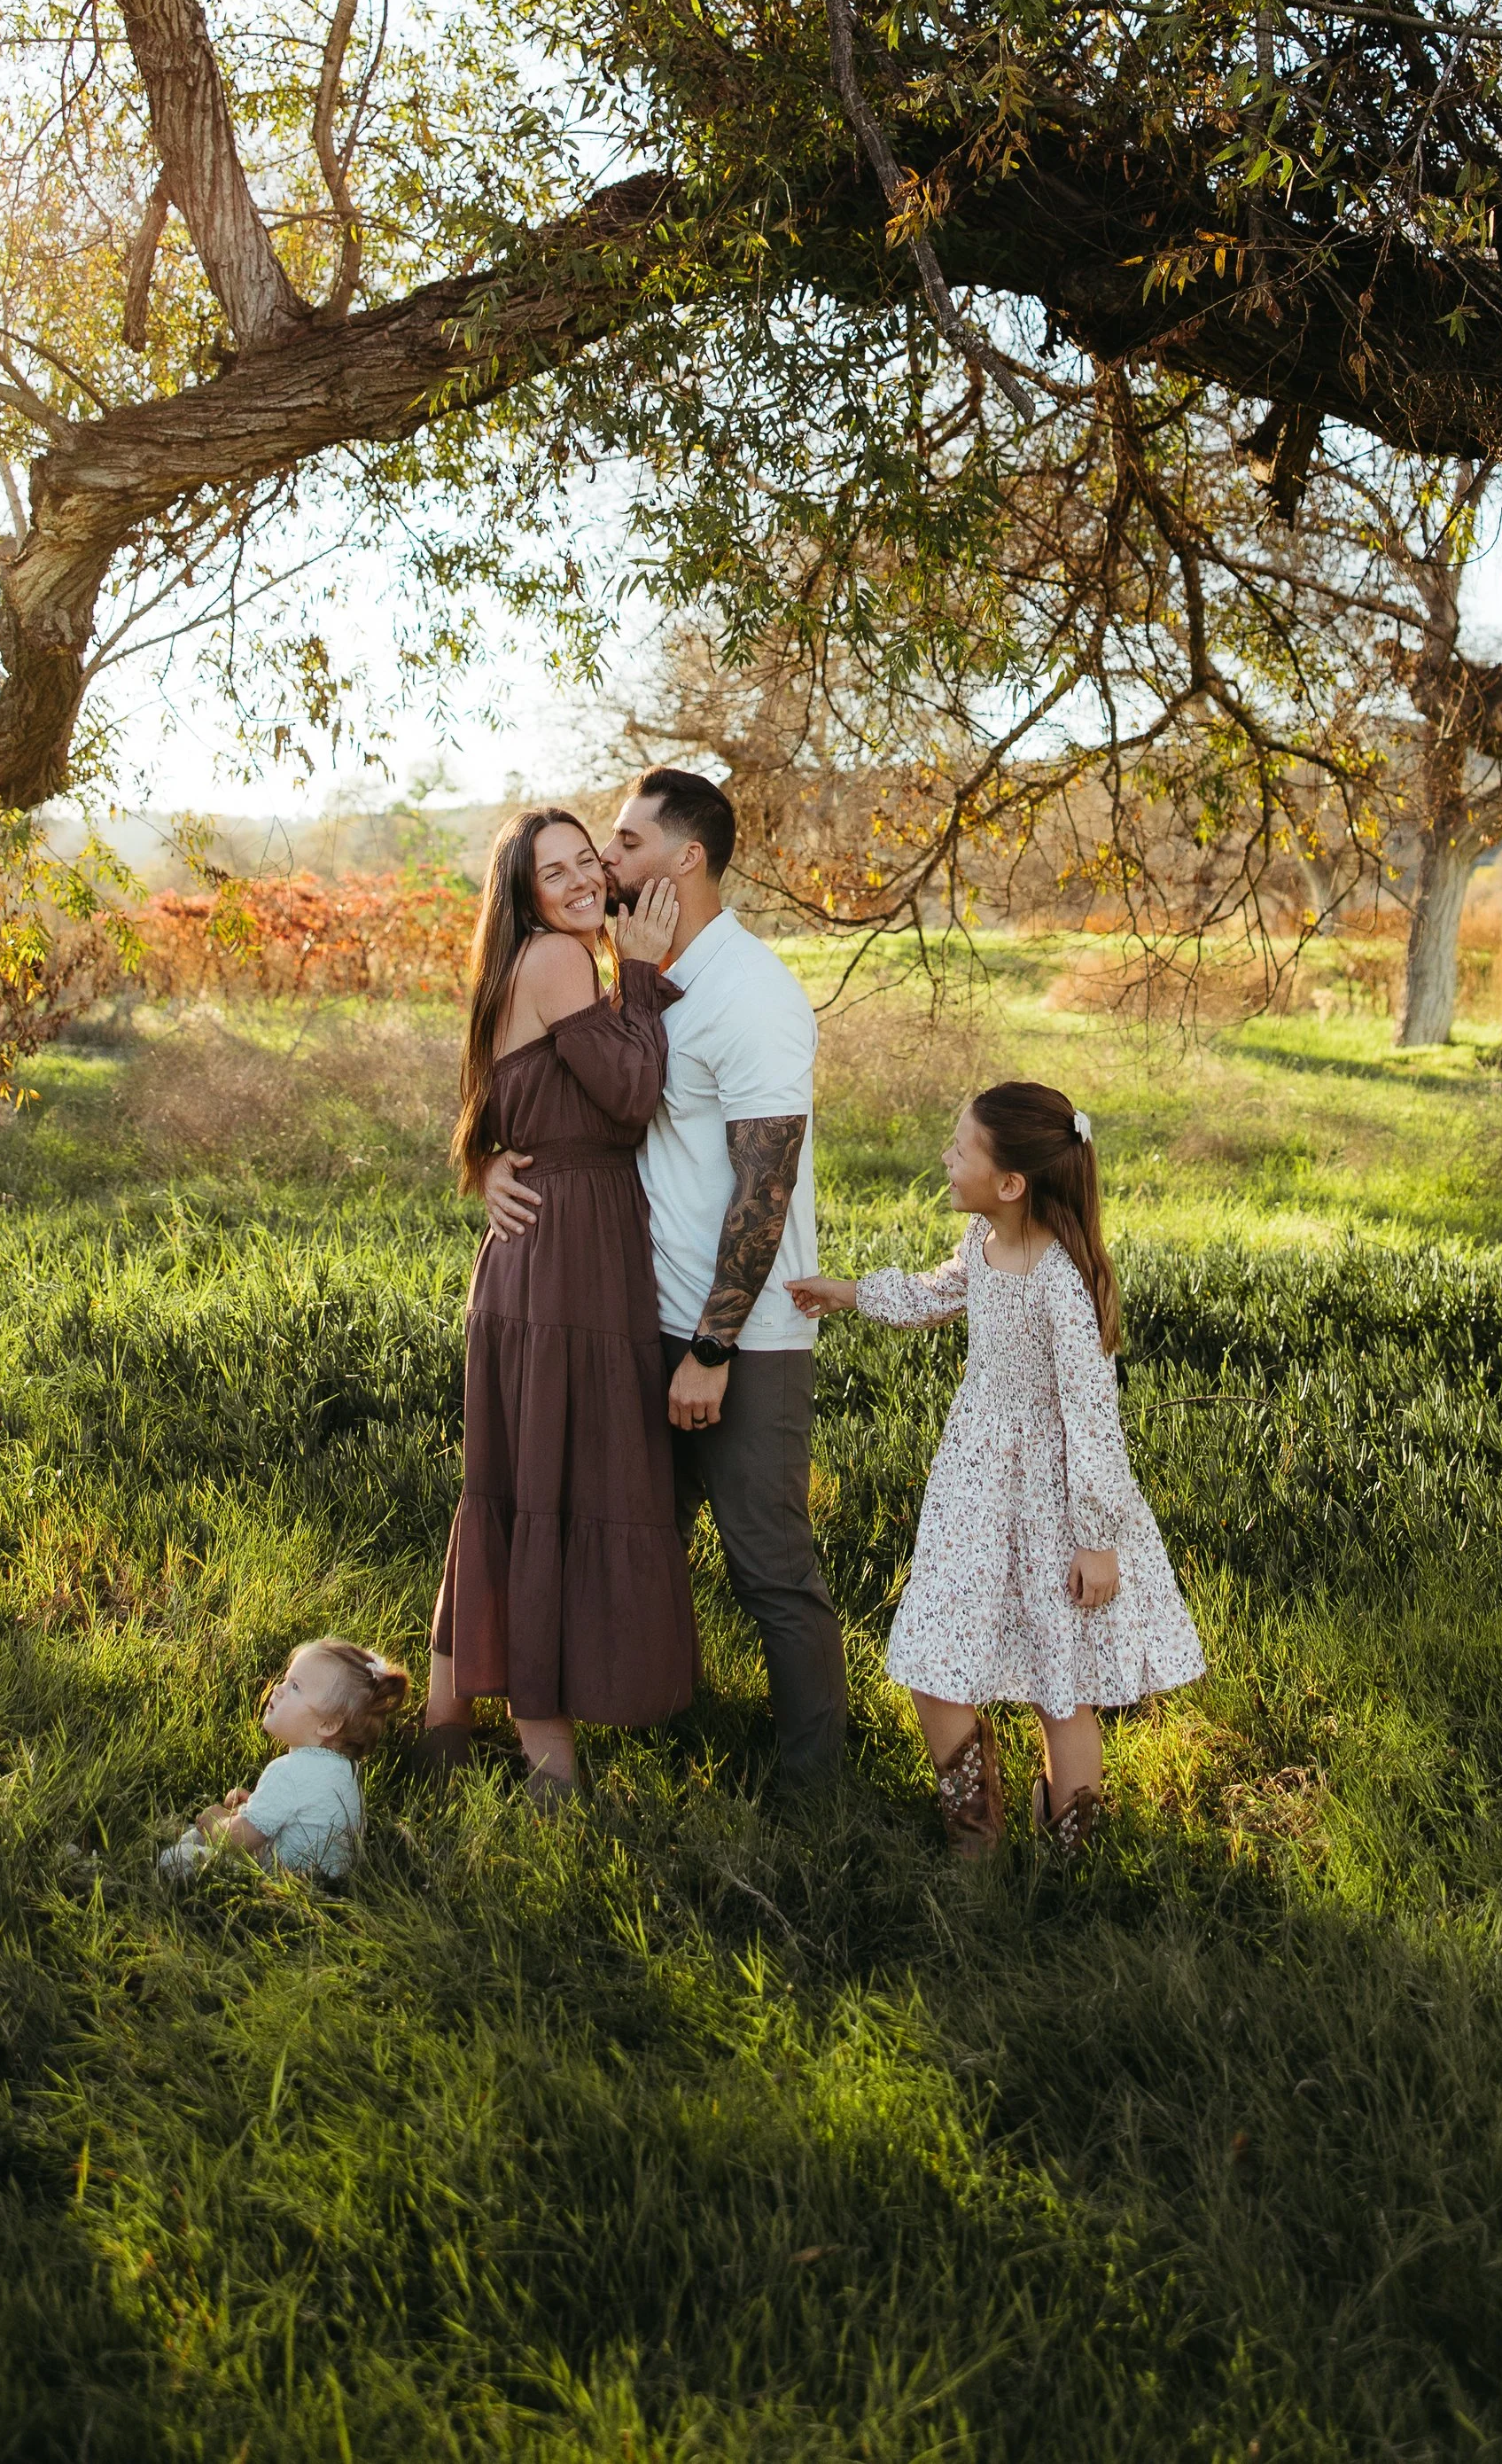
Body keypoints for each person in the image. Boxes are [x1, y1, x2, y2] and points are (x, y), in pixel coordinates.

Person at [479, 768, 849, 1787]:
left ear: (686, 860)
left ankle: (817, 1787)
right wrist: (498, 1162)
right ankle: (652, 1724)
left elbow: (764, 1191)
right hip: (631, 1316)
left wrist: (712, 1351)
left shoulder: (754, 995)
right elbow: (562, 1094)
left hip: (736, 1337)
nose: (607, 862)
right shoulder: (636, 972)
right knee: (630, 1542)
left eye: (627, 844)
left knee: (768, 1564)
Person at [790, 1083, 1203, 1855]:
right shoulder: (983, 1243)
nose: (945, 1158)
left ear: (1010, 1183)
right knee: (932, 1652)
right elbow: (938, 1293)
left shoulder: (1061, 1284)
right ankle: (975, 1837)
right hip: (975, 1484)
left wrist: (1099, 1539)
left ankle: (1069, 1854)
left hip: (1051, 1501)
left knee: (1062, 1680)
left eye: (959, 1149)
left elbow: (1093, 1419)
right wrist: (850, 1294)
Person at [426, 807, 697, 1802]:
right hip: (564, 1261)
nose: (583, 880)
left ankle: (445, 1734)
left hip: (548, 1255)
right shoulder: (558, 961)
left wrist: (489, 1163)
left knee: (509, 1489)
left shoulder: (532, 961)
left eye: (591, 861)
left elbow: (507, 1113)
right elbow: (629, 1096)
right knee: (548, 1492)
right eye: (556, 871)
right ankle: (550, 1777)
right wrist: (647, 969)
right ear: (525, 894)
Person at [160, 1640, 408, 1883]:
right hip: (329, 1880)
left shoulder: (288, 1772)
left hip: (281, 1879)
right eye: (286, 1680)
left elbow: (241, 1839)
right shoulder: (347, 1769)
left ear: (328, 1725)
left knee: (181, 1856)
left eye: (295, 1687)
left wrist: (215, 1822)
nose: (279, 1689)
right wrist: (257, 1804)